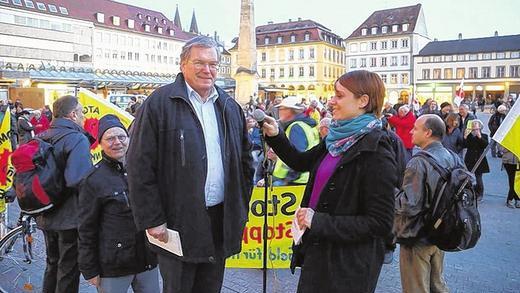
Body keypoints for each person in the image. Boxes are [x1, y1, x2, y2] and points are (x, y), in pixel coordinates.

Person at [126, 36, 254, 293]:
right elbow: (139, 166)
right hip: (177, 222)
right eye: (199, 62)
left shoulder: (229, 106)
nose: (207, 70)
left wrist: (239, 208)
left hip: (219, 219)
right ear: (183, 64)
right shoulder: (159, 103)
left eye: (213, 64)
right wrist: (153, 219)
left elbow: (244, 163)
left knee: (210, 287)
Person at [261, 70, 398, 293]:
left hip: (347, 267)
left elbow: (380, 223)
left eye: (339, 95)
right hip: (319, 253)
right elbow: (301, 161)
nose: (331, 101)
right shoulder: (336, 139)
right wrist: (276, 135)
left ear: (363, 101)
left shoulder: (377, 151)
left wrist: (319, 221)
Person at [78, 114, 159, 293]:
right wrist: (89, 268)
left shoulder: (142, 170)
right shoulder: (93, 180)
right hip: (114, 265)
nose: (117, 142)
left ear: (129, 139)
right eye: (110, 138)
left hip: (147, 259)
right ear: (100, 143)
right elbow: (86, 228)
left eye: (121, 137)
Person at [394, 114, 462, 293]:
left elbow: (408, 204)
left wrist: (388, 193)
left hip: (416, 237)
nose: (411, 131)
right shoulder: (453, 157)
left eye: (416, 128)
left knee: (416, 288)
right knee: (437, 286)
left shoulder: (418, 162)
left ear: (428, 133)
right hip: (440, 232)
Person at [36, 95, 94, 292]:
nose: (84, 117)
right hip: (69, 217)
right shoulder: (77, 138)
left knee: (52, 263)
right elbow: (79, 179)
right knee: (68, 269)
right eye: (82, 113)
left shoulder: (42, 136)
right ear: (73, 114)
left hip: (45, 212)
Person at [272, 96, 320, 186]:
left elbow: (297, 155)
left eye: (282, 109)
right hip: (305, 177)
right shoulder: (306, 124)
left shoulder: (296, 127)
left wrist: (287, 179)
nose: (279, 111)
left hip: (294, 180)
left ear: (291, 110)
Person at [463, 119, 489, 202]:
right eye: (473, 129)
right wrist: (465, 137)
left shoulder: (484, 135)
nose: (475, 131)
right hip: (469, 158)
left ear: (480, 128)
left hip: (479, 159)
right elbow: (465, 145)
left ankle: (480, 193)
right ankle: (469, 192)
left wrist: (479, 136)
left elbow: (485, 145)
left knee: (479, 178)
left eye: (477, 129)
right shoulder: (470, 136)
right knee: (467, 176)